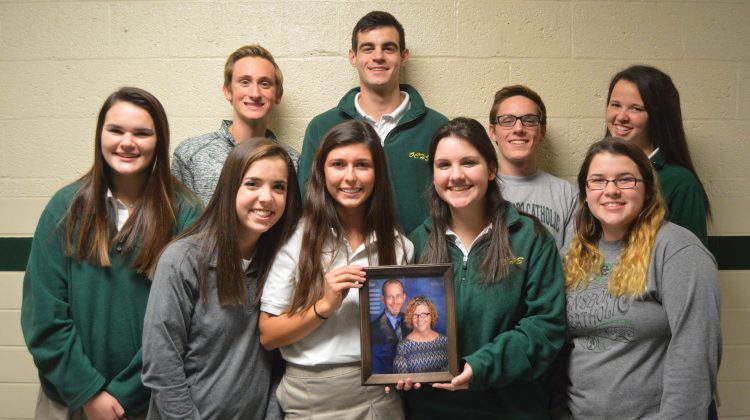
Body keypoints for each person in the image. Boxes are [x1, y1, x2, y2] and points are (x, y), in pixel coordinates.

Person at [21, 87, 202, 420]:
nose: (127, 142)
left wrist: (123, 394)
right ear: (100, 134)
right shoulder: (65, 207)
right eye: (116, 130)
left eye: (142, 133)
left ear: (159, 140)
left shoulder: (186, 212)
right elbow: (44, 318)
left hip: (151, 400)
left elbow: (186, 322)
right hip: (69, 401)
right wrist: (89, 393)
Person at [405, 117, 566, 419]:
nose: (456, 175)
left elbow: (546, 326)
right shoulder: (416, 243)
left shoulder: (531, 238)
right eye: (443, 165)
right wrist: (395, 368)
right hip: (433, 410)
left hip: (513, 408)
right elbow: (407, 328)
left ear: (491, 169)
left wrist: (480, 367)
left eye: (469, 162)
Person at [258, 120, 413, 419]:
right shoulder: (295, 238)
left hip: (379, 395)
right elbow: (268, 336)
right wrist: (325, 305)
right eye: (338, 164)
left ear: (378, 173)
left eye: (363, 165)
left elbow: (399, 333)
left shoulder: (400, 246)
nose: (350, 177)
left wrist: (405, 365)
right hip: (310, 395)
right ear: (321, 172)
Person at [142, 139, 302, 419]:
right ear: (230, 188)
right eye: (252, 183)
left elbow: (280, 361)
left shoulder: (281, 265)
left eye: (279, 187)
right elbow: (162, 365)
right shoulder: (182, 260)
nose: (266, 197)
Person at [563, 137, 721, 419]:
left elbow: (694, 356)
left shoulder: (677, 249)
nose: (611, 191)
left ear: (647, 189)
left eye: (625, 180)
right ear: (586, 192)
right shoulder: (573, 255)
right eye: (598, 180)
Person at [297, 11, 448, 234]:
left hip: (422, 263)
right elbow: (307, 202)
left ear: (403, 56)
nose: (378, 56)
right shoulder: (322, 127)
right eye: (368, 48)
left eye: (388, 48)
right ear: (353, 57)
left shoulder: (437, 127)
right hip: (343, 262)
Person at [172, 44, 300, 204]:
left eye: (265, 84)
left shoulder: (294, 161)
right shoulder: (190, 154)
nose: (255, 93)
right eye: (245, 82)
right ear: (228, 91)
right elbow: (181, 224)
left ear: (278, 94)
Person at [605, 64, 710, 245]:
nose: (621, 116)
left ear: (658, 115)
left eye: (636, 108)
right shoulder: (597, 174)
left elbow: (692, 260)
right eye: (615, 105)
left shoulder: (680, 182)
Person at [489, 85, 578, 251]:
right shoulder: (479, 189)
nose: (518, 129)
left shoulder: (567, 194)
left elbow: (572, 265)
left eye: (529, 120)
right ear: (493, 132)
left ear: (542, 132)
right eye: (507, 121)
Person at [393, 296, 449, 374]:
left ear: (431, 315)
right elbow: (401, 379)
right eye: (415, 315)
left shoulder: (445, 342)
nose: (419, 319)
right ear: (410, 317)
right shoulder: (403, 347)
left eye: (424, 314)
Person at [371, 279, 411, 374]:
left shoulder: (413, 322)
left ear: (404, 297)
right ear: (383, 299)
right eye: (390, 297)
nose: (395, 301)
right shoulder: (373, 329)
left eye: (398, 296)